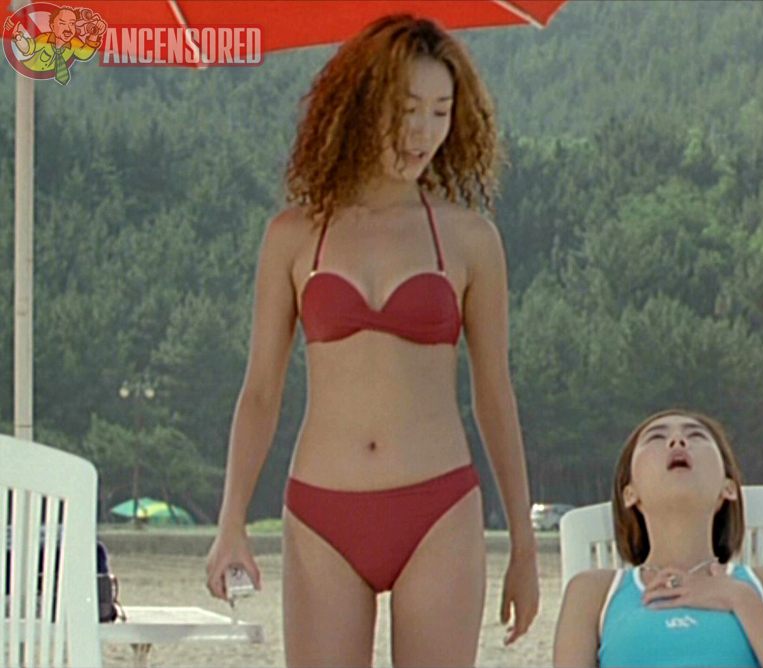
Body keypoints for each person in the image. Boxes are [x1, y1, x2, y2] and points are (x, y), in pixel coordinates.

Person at [204, 14, 539, 667]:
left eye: (440, 111)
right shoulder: (295, 235)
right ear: (361, 106)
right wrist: (231, 522)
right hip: (321, 513)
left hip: (438, 507)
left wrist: (524, 547)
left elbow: (495, 396)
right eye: (406, 109)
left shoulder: (470, 240)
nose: (423, 132)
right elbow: (261, 391)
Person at [553, 409, 763, 668]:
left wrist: (741, 600)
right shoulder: (594, 592)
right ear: (630, 493)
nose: (677, 441)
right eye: (656, 437)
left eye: (696, 436)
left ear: (728, 488)